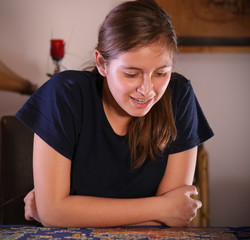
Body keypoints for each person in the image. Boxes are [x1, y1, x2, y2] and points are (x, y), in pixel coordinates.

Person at [16, 0, 214, 228]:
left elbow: (172, 221)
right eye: (131, 74)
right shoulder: (64, 94)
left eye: (161, 73)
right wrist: (161, 208)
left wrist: (64, 214)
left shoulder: (179, 95)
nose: (147, 90)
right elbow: (170, 212)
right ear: (102, 63)